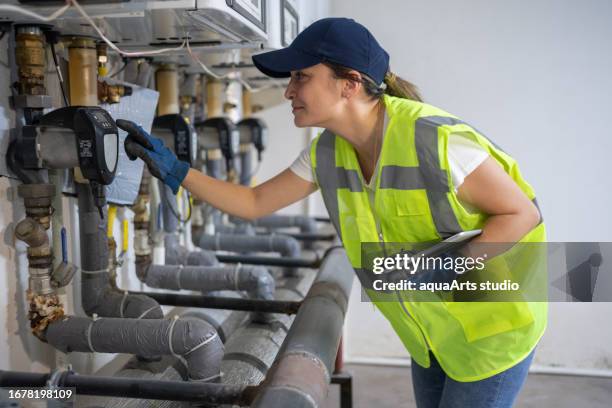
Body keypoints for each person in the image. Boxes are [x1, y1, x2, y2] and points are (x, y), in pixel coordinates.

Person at [117, 17, 546, 408]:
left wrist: (442, 270)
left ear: (350, 83)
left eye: (301, 77)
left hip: (492, 329)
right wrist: (176, 171)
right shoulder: (328, 151)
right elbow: (253, 203)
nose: (288, 90)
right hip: (431, 333)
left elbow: (522, 215)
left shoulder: (436, 142)